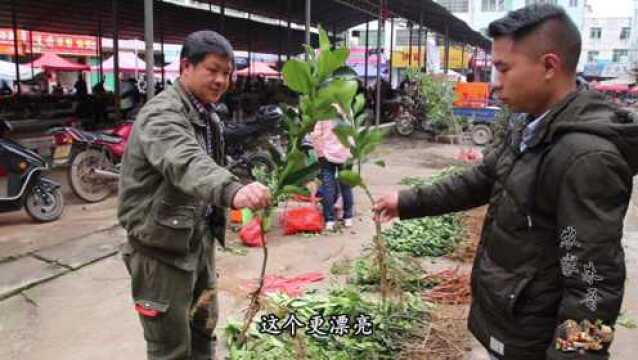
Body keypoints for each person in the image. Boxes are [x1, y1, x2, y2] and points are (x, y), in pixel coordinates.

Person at [374, 5, 637, 359]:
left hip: (534, 342)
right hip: (506, 322)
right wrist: (408, 201)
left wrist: (575, 355)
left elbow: (593, 282)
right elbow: (482, 179)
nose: (495, 83)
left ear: (549, 66)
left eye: (503, 69)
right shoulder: (528, 125)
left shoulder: (586, 158)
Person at [118, 30, 272, 360]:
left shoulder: (204, 113)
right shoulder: (162, 115)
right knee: (171, 349)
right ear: (185, 66)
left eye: (227, 73)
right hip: (160, 252)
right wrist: (234, 190)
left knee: (203, 333)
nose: (221, 80)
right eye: (213, 70)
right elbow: (187, 162)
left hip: (195, 241)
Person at [311, 118, 354, 231]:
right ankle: (348, 217)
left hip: (327, 155)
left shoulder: (324, 113)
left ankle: (329, 220)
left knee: (328, 187)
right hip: (345, 155)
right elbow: (351, 132)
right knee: (346, 186)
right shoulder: (345, 108)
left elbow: (316, 135)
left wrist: (320, 153)